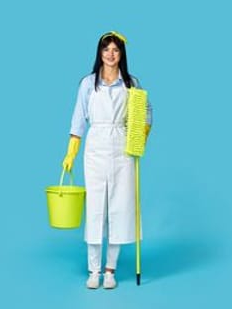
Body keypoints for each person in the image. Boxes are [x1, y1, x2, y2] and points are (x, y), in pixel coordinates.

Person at [60, 31, 153, 290]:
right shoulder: (89, 84)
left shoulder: (131, 84)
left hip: (123, 149)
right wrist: (71, 152)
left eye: (115, 50)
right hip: (96, 146)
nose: (110, 54)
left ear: (121, 54)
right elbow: (78, 120)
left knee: (119, 209)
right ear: (99, 53)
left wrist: (140, 136)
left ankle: (110, 271)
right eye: (106, 49)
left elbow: (145, 114)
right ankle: (94, 270)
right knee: (96, 209)